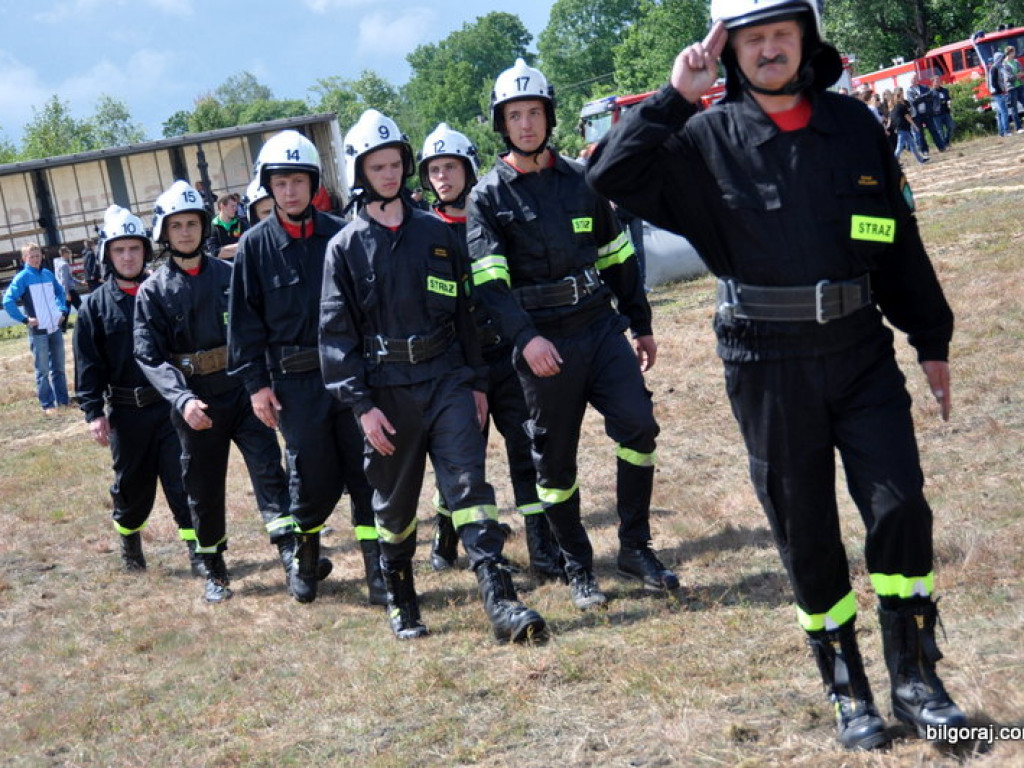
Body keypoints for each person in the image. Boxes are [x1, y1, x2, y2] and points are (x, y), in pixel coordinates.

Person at [587, 0, 967, 751]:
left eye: (781, 35)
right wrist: (672, 99)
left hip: (860, 350)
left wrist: (931, 337)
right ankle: (846, 687)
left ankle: (917, 677)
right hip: (766, 361)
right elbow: (608, 174)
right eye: (752, 38)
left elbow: (894, 238)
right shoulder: (702, 140)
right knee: (807, 528)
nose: (768, 51)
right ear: (729, 51)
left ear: (806, 40)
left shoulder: (853, 127)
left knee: (899, 506)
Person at [320, 109, 547, 644]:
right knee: (395, 509)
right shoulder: (344, 249)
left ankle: (501, 601)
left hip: (447, 379)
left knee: (470, 487)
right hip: (386, 394)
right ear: (360, 173)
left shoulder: (437, 234)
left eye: (395, 163)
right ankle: (401, 596)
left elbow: (466, 315)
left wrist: (474, 383)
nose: (390, 174)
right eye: (377, 167)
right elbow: (335, 337)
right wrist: (361, 404)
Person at [467, 58, 679, 612]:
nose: (527, 124)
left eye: (534, 112)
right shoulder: (487, 198)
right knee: (555, 464)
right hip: (542, 344)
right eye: (515, 116)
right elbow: (490, 284)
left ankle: (635, 547)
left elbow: (617, 254)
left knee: (638, 424)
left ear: (548, 116)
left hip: (599, 326)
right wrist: (524, 339)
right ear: (502, 124)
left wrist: (641, 321)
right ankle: (579, 567)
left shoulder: (583, 181)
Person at [134, 180, 307, 603]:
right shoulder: (152, 292)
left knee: (270, 470)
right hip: (196, 403)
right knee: (203, 485)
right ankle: (214, 568)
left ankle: (291, 557)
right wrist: (182, 399)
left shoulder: (232, 275)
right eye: (177, 226)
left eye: (192, 223)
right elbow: (149, 357)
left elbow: (258, 330)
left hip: (243, 392)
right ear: (164, 233)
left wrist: (262, 383)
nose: (186, 232)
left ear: (204, 226)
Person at [227, 130, 381, 606]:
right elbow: (246, 326)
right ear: (268, 187)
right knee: (309, 475)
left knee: (366, 471)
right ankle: (306, 556)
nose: (290, 191)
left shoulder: (341, 233)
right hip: (294, 386)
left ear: (314, 184)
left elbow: (366, 307)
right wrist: (256, 386)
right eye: (280, 182)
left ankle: (378, 568)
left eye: (298, 181)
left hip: (348, 375)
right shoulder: (253, 248)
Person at [418, 122, 563, 582]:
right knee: (461, 460)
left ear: (468, 169)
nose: (443, 177)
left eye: (451, 167)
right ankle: (446, 533)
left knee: (528, 449)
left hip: (506, 356)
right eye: (434, 169)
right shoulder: (422, 232)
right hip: (456, 367)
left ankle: (542, 547)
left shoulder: (493, 216)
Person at [74, 205, 201, 574]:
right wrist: (93, 412)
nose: (128, 257)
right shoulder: (94, 308)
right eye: (119, 250)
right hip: (127, 416)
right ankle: (131, 549)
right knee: (131, 486)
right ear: (107, 255)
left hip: (170, 410)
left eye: (134, 248)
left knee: (183, 481)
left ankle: (198, 552)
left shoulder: (164, 292)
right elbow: (88, 365)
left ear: (146, 250)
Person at [3, 242, 69, 413]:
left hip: (54, 327)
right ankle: (47, 404)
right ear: (24, 258)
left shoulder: (47, 274)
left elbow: (60, 292)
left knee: (59, 367)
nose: (35, 258)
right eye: (31, 256)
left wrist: (62, 310)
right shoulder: (22, 277)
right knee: (43, 369)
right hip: (38, 331)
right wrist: (25, 319)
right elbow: (7, 301)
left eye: (37, 255)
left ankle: (63, 401)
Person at [906, 74, 945, 154]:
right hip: (916, 115)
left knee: (933, 131)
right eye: (912, 79)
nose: (913, 80)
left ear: (917, 80)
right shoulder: (909, 91)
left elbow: (930, 97)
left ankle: (941, 147)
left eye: (915, 79)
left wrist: (920, 98)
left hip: (927, 113)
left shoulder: (925, 88)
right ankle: (925, 150)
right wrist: (924, 97)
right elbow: (913, 101)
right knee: (920, 134)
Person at [206, 194, 249, 260]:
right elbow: (215, 252)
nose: (235, 209)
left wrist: (224, 250)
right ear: (222, 206)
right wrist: (240, 247)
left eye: (236, 206)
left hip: (242, 264)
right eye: (232, 206)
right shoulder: (212, 226)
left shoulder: (241, 223)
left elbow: (248, 244)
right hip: (223, 267)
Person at [892, 91, 929, 164]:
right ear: (900, 97)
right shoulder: (902, 106)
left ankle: (920, 160)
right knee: (899, 147)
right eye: (902, 95)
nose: (903, 97)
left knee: (912, 145)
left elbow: (894, 118)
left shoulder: (895, 107)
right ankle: (892, 163)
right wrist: (915, 126)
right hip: (903, 128)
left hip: (901, 128)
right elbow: (908, 117)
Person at [53, 245, 84, 310]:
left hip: (62, 290)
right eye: (68, 253)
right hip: (69, 290)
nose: (69, 254)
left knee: (66, 311)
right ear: (65, 254)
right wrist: (67, 293)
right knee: (81, 309)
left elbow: (68, 278)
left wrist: (80, 282)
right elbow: (64, 280)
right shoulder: (64, 265)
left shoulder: (58, 263)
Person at [989, 52, 1012, 137]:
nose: (1002, 59)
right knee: (1004, 112)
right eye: (1001, 58)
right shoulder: (994, 68)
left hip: (997, 93)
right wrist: (1001, 91)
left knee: (999, 113)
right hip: (998, 93)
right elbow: (994, 82)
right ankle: (1006, 131)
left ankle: (1001, 132)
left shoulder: (997, 67)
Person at [1002, 46, 1024, 133]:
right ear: (1009, 53)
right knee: (1014, 108)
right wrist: (1018, 75)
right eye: (1013, 52)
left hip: (1020, 86)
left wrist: (1018, 75)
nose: (1015, 54)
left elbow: (1022, 70)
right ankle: (1018, 128)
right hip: (1011, 88)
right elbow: (1008, 77)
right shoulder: (1004, 64)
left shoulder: (1016, 61)